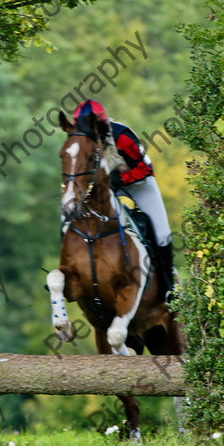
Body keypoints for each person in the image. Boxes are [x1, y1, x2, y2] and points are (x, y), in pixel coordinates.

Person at [72, 99, 176, 303]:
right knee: (70, 215)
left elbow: (145, 170)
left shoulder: (122, 137)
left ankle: (169, 287)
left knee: (162, 234)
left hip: (138, 183)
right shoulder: (81, 141)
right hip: (105, 187)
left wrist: (120, 179)